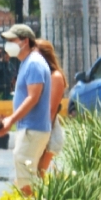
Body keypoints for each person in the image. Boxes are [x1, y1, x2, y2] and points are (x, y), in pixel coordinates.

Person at [0, 25, 51, 195]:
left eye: (12, 40)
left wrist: (10, 119)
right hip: (30, 128)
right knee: (27, 172)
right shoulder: (28, 63)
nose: (8, 45)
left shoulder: (33, 63)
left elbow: (33, 97)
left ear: (25, 41)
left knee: (24, 169)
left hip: (33, 128)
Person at [34, 39, 66, 177]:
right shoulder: (41, 76)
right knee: (31, 175)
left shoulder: (56, 77)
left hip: (49, 133)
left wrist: (40, 139)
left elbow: (51, 112)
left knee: (37, 175)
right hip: (40, 131)